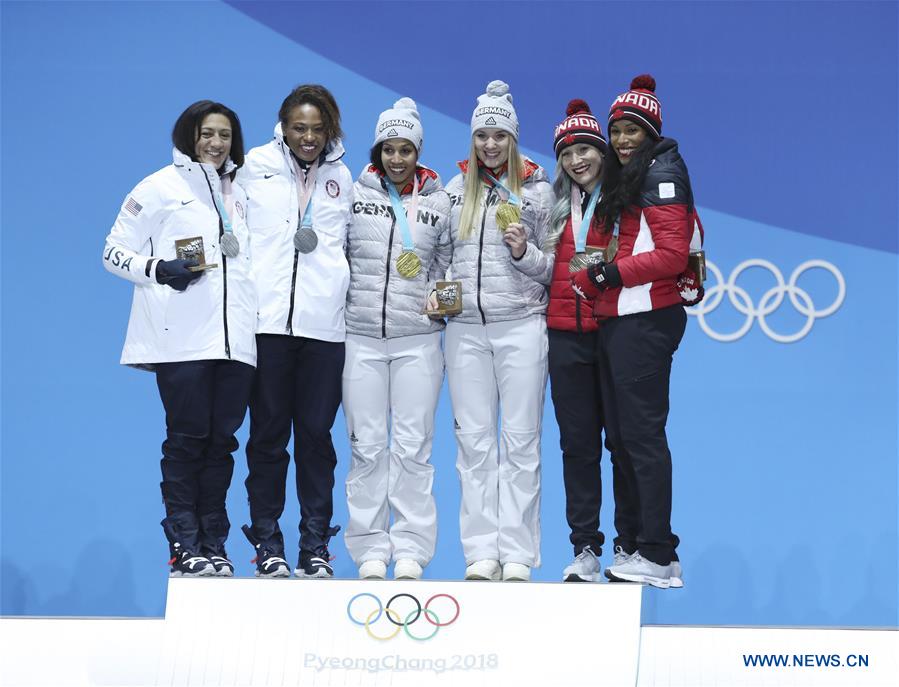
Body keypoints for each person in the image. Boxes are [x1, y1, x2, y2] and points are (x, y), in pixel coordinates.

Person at [103, 100, 256, 577]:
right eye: (207, 133)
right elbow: (112, 252)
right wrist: (156, 270)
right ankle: (183, 542)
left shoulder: (244, 189)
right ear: (189, 135)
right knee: (187, 442)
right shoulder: (159, 187)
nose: (216, 143)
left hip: (236, 342)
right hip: (182, 340)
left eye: (225, 135)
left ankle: (214, 541)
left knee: (222, 444)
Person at [571, 75, 698, 588]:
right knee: (625, 439)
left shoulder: (663, 171)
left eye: (632, 131)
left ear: (651, 132)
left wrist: (606, 274)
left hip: (645, 319)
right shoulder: (637, 173)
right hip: (624, 318)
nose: (621, 141)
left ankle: (659, 554)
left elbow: (672, 253)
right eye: (616, 131)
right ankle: (643, 547)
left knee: (642, 439)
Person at [237, 85, 353, 578]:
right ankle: (267, 540)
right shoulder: (252, 167)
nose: (308, 137)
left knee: (315, 438)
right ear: (283, 125)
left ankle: (315, 544)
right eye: (299, 127)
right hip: (267, 326)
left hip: (324, 330)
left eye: (317, 128)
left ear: (330, 130)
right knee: (266, 436)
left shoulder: (343, 177)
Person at [444, 80, 554, 582]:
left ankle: (517, 554)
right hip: (465, 331)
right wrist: (437, 293)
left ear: (514, 139)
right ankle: (480, 553)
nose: (491, 144)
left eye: (500, 136)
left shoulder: (539, 190)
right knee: (475, 444)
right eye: (483, 135)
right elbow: (437, 261)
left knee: (522, 441)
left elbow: (556, 267)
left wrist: (521, 252)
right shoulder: (452, 190)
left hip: (521, 325)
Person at [342, 98, 452, 581]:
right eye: (388, 148)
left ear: (419, 151)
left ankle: (409, 548)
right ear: (378, 150)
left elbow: (450, 265)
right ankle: (368, 547)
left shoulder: (439, 201)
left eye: (406, 149)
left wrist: (441, 300)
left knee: (412, 448)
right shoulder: (352, 193)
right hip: (361, 337)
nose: (396, 158)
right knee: (366, 446)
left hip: (418, 340)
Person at [514, 99, 620, 581]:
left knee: (622, 443)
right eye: (567, 153)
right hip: (564, 339)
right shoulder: (555, 209)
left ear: (602, 151)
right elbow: (548, 272)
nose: (577, 160)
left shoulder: (624, 203)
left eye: (585, 149)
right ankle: (585, 549)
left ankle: (630, 544)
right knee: (577, 447)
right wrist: (523, 254)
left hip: (615, 335)